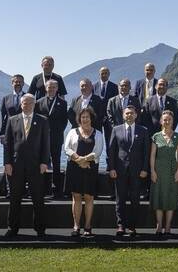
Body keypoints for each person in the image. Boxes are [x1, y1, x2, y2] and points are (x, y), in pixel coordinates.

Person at [3, 94, 51, 238]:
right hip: (16, 166)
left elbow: (46, 144)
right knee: (15, 198)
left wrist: (44, 162)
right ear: (21, 104)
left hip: (36, 165)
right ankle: (13, 228)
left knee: (38, 198)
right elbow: (7, 144)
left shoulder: (42, 120)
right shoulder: (12, 120)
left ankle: (40, 229)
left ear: (34, 104)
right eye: (24, 102)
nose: (27, 105)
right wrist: (7, 163)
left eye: (30, 102)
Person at [107, 104, 149, 237]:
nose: (129, 115)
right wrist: (112, 168)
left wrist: (144, 169)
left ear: (136, 115)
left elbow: (146, 152)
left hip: (137, 171)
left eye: (131, 113)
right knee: (120, 199)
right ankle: (121, 225)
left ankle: (132, 226)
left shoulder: (143, 130)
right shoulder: (116, 129)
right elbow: (111, 151)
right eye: (127, 113)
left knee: (135, 199)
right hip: (120, 170)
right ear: (123, 115)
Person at [63, 107, 103, 236]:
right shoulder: (72, 132)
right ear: (79, 119)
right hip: (74, 167)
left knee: (89, 197)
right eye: (83, 117)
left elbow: (98, 152)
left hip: (90, 168)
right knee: (76, 196)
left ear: (91, 118)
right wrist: (78, 160)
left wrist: (84, 160)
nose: (85, 119)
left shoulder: (98, 134)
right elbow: (67, 148)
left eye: (87, 117)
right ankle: (76, 226)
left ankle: (87, 226)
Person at [150, 110, 178, 236]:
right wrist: (152, 171)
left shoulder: (177, 136)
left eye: (169, 119)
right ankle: (159, 226)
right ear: (161, 121)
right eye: (164, 120)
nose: (167, 122)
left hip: (172, 170)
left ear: (173, 121)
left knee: (171, 198)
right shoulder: (156, 136)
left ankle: (168, 226)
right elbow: (152, 155)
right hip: (158, 170)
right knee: (158, 197)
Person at [36, 79, 70, 198]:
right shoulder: (38, 102)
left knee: (56, 163)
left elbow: (64, 120)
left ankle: (57, 189)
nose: (51, 89)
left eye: (54, 87)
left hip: (56, 137)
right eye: (49, 87)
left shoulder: (63, 103)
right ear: (46, 88)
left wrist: (58, 131)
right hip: (42, 138)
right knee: (41, 162)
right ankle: (42, 188)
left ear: (57, 89)